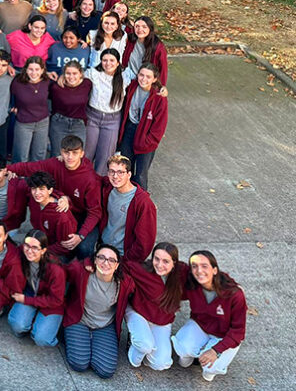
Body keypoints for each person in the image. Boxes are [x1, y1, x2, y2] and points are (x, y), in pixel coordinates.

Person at [9, 134, 102, 257]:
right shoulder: (56, 164)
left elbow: (95, 212)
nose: (70, 157)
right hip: (61, 212)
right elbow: (30, 167)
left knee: (83, 248)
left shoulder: (90, 179)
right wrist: (6, 169)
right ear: (61, 152)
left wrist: (81, 235)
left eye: (75, 153)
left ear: (82, 153)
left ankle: (80, 266)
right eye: (66, 152)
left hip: (83, 217)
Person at [62, 245, 135, 379]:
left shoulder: (124, 283)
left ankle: (92, 340)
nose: (106, 263)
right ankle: (81, 339)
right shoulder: (82, 273)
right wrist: (85, 263)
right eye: (101, 257)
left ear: (117, 265)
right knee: (79, 363)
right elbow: (63, 271)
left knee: (106, 370)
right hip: (79, 320)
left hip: (104, 325)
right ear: (94, 260)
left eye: (111, 260)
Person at [173, 250, 247, 382]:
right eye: (194, 266)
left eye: (204, 266)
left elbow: (238, 332)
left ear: (214, 270)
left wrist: (216, 350)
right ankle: (191, 356)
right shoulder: (192, 285)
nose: (199, 270)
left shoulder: (234, 294)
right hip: (201, 325)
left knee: (210, 368)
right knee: (183, 350)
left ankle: (209, 369)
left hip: (223, 335)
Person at [122, 243, 187, 371]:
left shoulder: (181, 274)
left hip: (162, 319)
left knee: (161, 363)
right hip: (138, 312)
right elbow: (120, 265)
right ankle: (135, 347)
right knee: (144, 345)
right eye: (156, 259)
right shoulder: (141, 269)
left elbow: (203, 277)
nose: (159, 264)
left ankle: (146, 343)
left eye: (166, 261)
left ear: (174, 263)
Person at [7, 230, 65, 346]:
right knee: (17, 325)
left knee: (41, 339)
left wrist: (26, 300)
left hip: (51, 302)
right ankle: (30, 322)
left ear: (43, 250)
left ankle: (42, 327)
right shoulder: (21, 254)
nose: (29, 251)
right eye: (27, 245)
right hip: (31, 292)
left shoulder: (55, 270)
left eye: (35, 248)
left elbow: (56, 300)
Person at [98, 155, 157, 262]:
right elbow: (87, 177)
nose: (115, 176)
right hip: (103, 247)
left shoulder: (142, 202)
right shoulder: (108, 187)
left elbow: (145, 242)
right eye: (112, 171)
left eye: (121, 172)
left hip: (122, 255)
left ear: (129, 174)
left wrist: (128, 260)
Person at [84, 49, 134, 176]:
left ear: (118, 63)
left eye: (112, 60)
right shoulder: (93, 73)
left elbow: (144, 79)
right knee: (87, 152)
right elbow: (75, 79)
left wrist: (161, 88)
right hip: (93, 117)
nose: (108, 63)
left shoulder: (125, 75)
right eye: (105, 60)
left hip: (112, 120)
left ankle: (99, 184)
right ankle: (83, 179)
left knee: (105, 155)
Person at [118, 64, 168, 189]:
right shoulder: (131, 87)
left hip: (146, 136)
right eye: (141, 75)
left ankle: (140, 202)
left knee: (140, 175)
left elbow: (160, 126)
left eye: (148, 76)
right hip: (129, 130)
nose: (144, 79)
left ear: (154, 79)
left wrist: (149, 142)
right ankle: (124, 199)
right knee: (125, 168)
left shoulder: (159, 98)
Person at [20, 172, 78, 259]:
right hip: (41, 240)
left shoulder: (61, 215)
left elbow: (65, 247)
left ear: (50, 190)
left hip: (56, 252)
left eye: (41, 189)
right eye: (34, 188)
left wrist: (41, 252)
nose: (37, 193)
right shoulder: (34, 199)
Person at [10, 56, 52, 163]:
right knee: (20, 155)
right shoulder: (18, 82)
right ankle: (19, 179)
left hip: (42, 122)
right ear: (26, 69)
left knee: (39, 155)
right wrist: (12, 106)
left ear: (42, 70)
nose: (34, 73)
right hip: (24, 123)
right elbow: (9, 95)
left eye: (37, 69)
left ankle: (36, 178)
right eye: (30, 69)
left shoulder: (47, 82)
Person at [49, 61, 91, 153]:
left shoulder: (87, 84)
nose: (71, 77)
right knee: (58, 154)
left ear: (81, 74)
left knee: (78, 155)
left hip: (78, 124)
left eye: (75, 73)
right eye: (68, 73)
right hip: (59, 123)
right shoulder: (56, 87)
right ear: (64, 74)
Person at [124, 16, 168, 84]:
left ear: (150, 29)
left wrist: (160, 86)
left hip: (145, 82)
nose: (140, 29)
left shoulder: (158, 47)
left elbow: (163, 69)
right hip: (128, 78)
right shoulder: (130, 40)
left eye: (144, 27)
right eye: (137, 26)